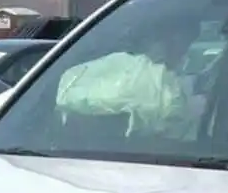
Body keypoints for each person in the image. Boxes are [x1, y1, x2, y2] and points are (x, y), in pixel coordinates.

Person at [54, 16, 199, 139]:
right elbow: (176, 130)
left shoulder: (74, 75)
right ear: (163, 42)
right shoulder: (164, 84)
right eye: (183, 47)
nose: (183, 55)